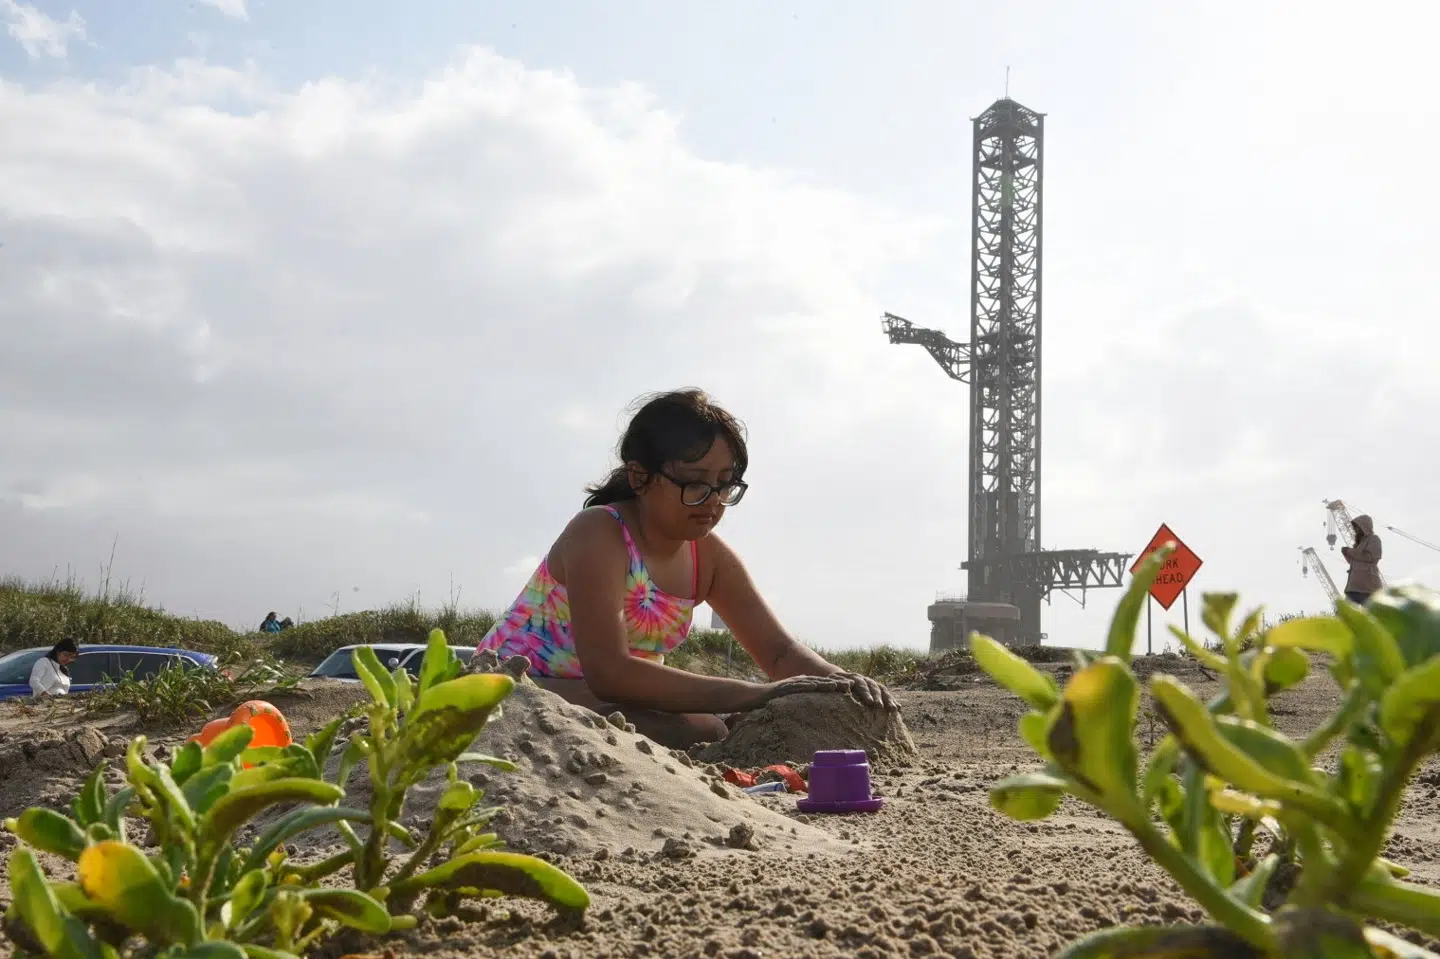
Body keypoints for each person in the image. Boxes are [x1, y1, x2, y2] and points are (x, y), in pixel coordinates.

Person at [476, 388, 898, 749]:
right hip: (512, 691)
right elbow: (609, 671)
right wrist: (754, 694)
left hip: (612, 698)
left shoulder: (708, 558)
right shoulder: (599, 533)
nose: (712, 500)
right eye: (694, 483)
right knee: (704, 729)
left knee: (715, 727)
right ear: (640, 477)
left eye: (724, 484)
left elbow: (779, 652)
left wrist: (843, 682)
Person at [1341, 515, 1383, 606]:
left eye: (1357, 527)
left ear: (1363, 526)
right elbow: (1355, 562)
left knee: (1369, 612)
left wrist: (1349, 551)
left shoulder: (1374, 539)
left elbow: (1371, 557)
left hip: (1368, 587)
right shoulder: (1359, 544)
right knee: (1346, 612)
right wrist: (1346, 553)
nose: (1355, 530)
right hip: (1354, 587)